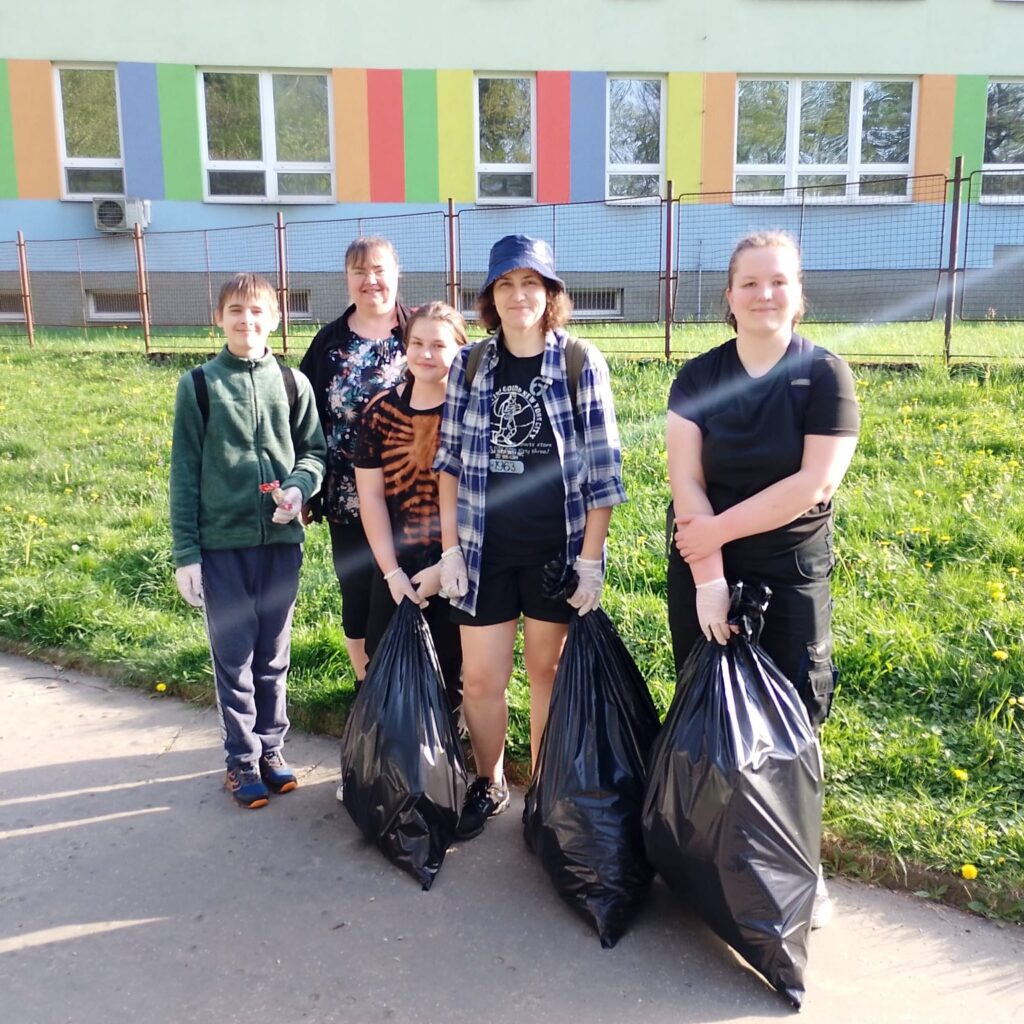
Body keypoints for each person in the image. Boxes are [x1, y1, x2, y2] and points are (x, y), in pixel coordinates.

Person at [665, 231, 860, 925]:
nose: (764, 294)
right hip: (703, 562)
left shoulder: (824, 375)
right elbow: (686, 479)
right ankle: (713, 858)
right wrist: (709, 574)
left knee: (792, 721)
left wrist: (716, 532)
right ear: (729, 296)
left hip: (788, 568)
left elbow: (814, 483)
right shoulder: (697, 377)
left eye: (778, 281)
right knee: (710, 712)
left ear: (799, 293)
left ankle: (799, 869)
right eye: (749, 282)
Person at [434, 234, 626, 840]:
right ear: (491, 297)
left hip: (556, 552)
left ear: (550, 294)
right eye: (506, 285)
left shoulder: (578, 361)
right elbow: (449, 463)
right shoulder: (469, 364)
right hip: (483, 549)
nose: (519, 296)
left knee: (548, 674)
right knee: (483, 679)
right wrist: (449, 550)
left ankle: (541, 791)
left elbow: (603, 469)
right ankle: (489, 782)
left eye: (531, 284)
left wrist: (589, 562)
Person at [170, 273, 326, 809]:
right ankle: (240, 759)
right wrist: (187, 554)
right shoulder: (198, 385)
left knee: (273, 656)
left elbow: (315, 452)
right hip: (222, 547)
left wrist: (298, 488)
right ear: (219, 318)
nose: (247, 320)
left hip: (281, 545)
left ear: (275, 318)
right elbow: (184, 473)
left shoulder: (292, 383)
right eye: (235, 310)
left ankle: (272, 751)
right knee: (233, 658)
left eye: (258, 311)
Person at [298, 237, 410, 691]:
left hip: (414, 497)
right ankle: (370, 694)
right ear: (348, 278)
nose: (371, 281)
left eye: (379, 269)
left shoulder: (417, 331)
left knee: (414, 596)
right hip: (347, 498)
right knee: (358, 597)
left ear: (396, 273)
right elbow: (303, 419)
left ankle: (426, 697)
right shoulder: (329, 343)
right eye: (360, 272)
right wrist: (304, 487)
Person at [353, 302, 467, 714]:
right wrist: (391, 573)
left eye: (439, 345)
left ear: (460, 350)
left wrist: (449, 563)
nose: (425, 354)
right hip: (394, 563)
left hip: (459, 566)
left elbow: (483, 498)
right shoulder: (380, 411)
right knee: (385, 669)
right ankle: (384, 773)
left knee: (450, 677)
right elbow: (371, 497)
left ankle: (445, 771)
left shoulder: (470, 413)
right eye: (417, 343)